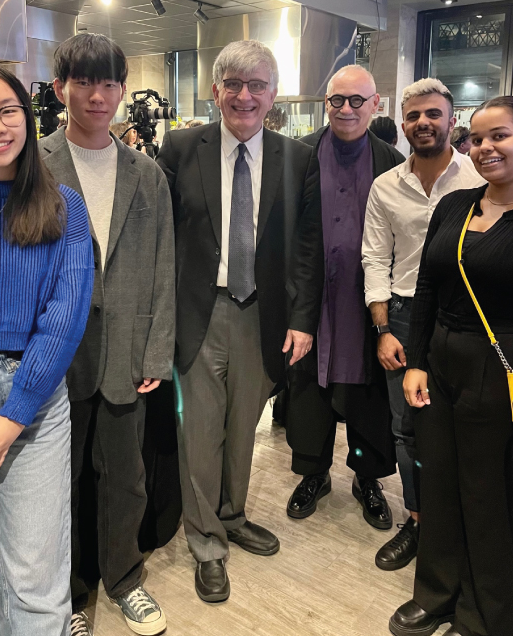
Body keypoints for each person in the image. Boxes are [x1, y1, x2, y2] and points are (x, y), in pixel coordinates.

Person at [157, 39, 323, 603]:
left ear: (273, 95)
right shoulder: (180, 148)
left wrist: (302, 319)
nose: (244, 95)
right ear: (215, 91)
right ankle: (206, 542)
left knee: (243, 427)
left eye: (257, 85)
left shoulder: (297, 157)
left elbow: (307, 246)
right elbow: (159, 240)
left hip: (263, 315)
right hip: (198, 313)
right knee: (199, 432)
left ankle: (231, 513)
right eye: (233, 84)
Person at [0, 63, 94, 635]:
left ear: (27, 121)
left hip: (35, 396)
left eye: (7, 111)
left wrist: (14, 414)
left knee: (36, 569)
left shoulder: (64, 207)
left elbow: (65, 316)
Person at [40, 34, 175, 636]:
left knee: (126, 477)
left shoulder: (147, 173)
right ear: (61, 87)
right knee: (57, 483)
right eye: (85, 82)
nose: (99, 95)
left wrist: (158, 349)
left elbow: (164, 265)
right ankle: (67, 593)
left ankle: (123, 580)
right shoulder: (33, 166)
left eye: (110, 83)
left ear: (123, 90)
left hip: (127, 352)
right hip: (54, 357)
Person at [390, 95, 513, 636]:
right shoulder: (456, 207)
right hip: (443, 362)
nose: (485, 148)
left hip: (507, 370)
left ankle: (484, 617)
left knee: (492, 497)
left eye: (500, 136)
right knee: (442, 484)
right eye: (477, 138)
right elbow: (427, 286)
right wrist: (418, 361)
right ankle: (437, 592)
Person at [362, 78, 484, 573]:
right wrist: (383, 328)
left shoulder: (481, 176)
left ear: (452, 120)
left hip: (470, 318)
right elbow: (375, 258)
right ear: (403, 123)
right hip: (405, 315)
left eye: (433, 114)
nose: (422, 123)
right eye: (413, 116)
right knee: (407, 427)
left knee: (464, 426)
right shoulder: (386, 186)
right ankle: (417, 519)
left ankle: (458, 526)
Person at [285, 65, 402, 531]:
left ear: (376, 105)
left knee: (367, 394)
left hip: (366, 299)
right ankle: (314, 473)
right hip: (311, 298)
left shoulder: (393, 162)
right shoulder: (301, 156)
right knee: (308, 391)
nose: (347, 109)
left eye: (358, 100)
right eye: (337, 100)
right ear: (325, 103)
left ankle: (366, 478)